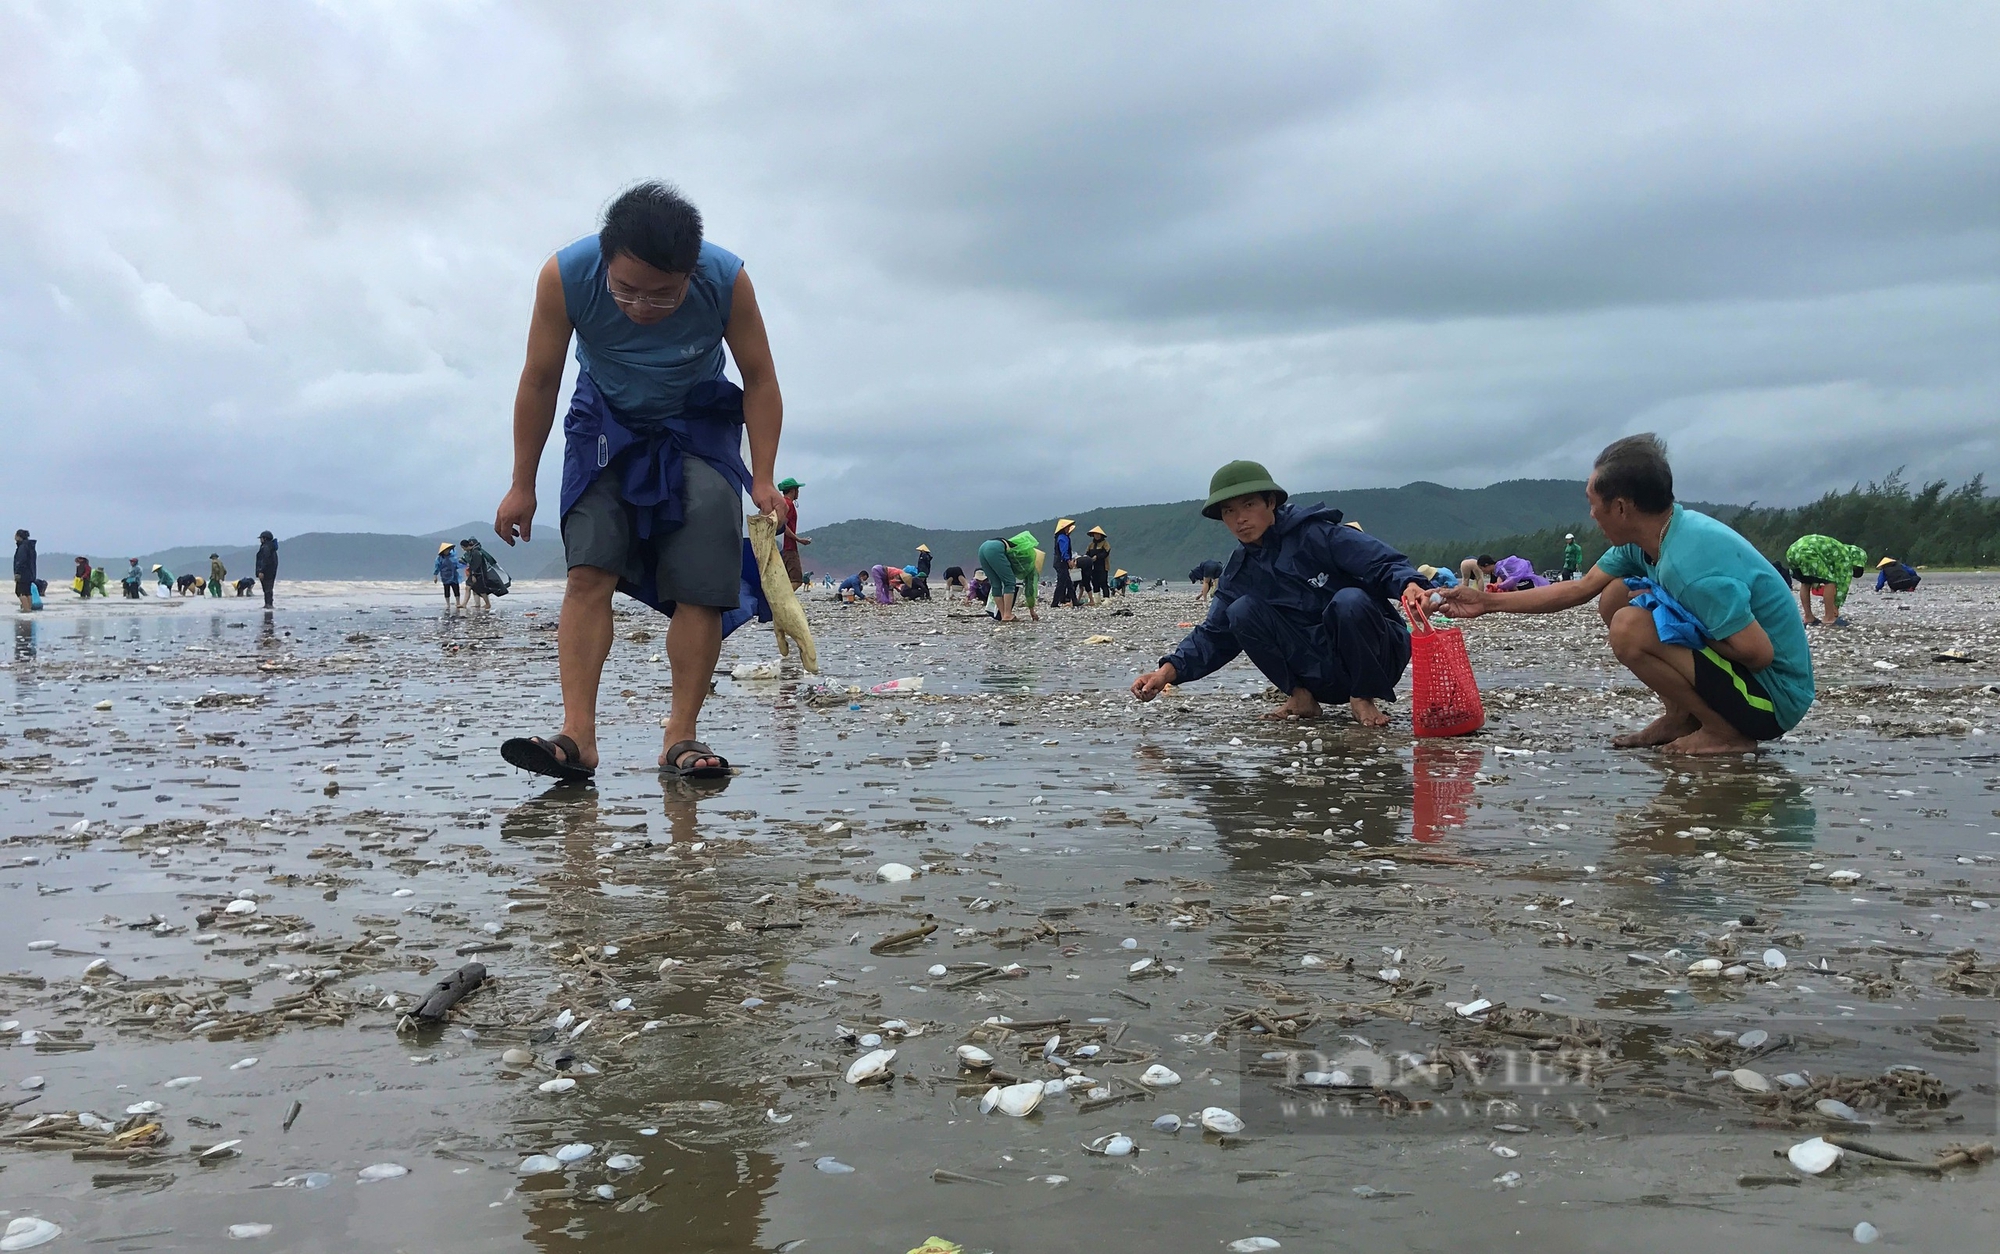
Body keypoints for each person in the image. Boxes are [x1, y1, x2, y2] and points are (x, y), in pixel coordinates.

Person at [490, 182, 784, 783]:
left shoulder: (725, 281)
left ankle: (681, 737)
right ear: (605, 260)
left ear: (690, 272)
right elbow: (540, 378)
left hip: (695, 425)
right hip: (603, 423)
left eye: (661, 295)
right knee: (589, 571)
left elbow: (759, 377)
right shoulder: (566, 276)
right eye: (625, 290)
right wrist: (522, 483)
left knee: (703, 585)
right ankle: (577, 736)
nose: (640, 306)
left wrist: (763, 477)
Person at [1437, 434, 1814, 755]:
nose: (1590, 514)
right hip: (1746, 683)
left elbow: (1758, 653)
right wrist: (1487, 602)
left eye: (1592, 503)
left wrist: (1677, 631)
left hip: (1773, 700)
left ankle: (1725, 733)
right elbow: (1579, 589)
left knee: (1631, 626)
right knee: (1615, 595)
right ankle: (1682, 717)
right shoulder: (1651, 538)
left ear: (1620, 507)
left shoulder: (1689, 566)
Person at [1132, 460, 1433, 726]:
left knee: (1349, 601)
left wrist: (1409, 583)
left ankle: (1363, 697)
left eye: (1249, 505)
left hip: (1377, 660)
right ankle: (1301, 698)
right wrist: (1165, 673)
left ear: (1271, 502)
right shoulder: (1240, 572)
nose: (1240, 519)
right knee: (1240, 611)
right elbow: (1213, 635)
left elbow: (1382, 561)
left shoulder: (1318, 534)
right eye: (1229, 511)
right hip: (1319, 673)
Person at [1784, 534, 1867, 627]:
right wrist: (1836, 605)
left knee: (1806, 582)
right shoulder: (1846, 556)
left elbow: (1818, 573)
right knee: (1830, 582)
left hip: (1793, 551)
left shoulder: (1836, 549)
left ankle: (1808, 617)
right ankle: (1829, 617)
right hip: (1808, 552)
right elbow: (1843, 584)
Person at [977, 530, 1042, 623]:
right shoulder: (1029, 564)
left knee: (995, 584)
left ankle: (1004, 615)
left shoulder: (1022, 552)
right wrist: (1032, 611)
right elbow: (1030, 589)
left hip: (983, 547)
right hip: (996, 548)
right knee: (1010, 582)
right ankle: (1007, 615)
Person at [777, 477, 809, 589]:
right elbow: (782, 526)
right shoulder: (788, 504)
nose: (798, 492)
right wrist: (798, 539)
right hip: (788, 546)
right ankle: (782, 604)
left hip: (782, 546)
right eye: (797, 490)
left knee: (785, 579)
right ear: (792, 490)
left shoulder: (781, 503)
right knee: (796, 580)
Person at [461, 538, 502, 609]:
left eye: (462, 548)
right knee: (468, 588)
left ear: (464, 546)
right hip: (475, 573)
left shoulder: (475, 552)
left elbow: (476, 565)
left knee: (481, 590)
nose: (463, 549)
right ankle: (464, 604)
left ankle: (487, 604)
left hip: (479, 574)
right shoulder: (472, 551)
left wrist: (474, 575)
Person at [1051, 519, 1079, 608]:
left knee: (1068, 582)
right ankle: (1055, 603)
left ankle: (1074, 601)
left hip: (1059, 562)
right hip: (1061, 562)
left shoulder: (1059, 537)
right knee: (1062, 583)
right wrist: (1068, 560)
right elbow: (1064, 550)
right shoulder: (1063, 537)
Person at [1084, 526, 1111, 602]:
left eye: (1098, 534)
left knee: (1103, 581)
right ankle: (1097, 599)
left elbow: (1106, 553)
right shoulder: (1091, 545)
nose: (1097, 536)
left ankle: (1106, 598)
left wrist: (1097, 557)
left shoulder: (1105, 543)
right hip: (1093, 567)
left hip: (1103, 566)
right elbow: (1087, 554)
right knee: (1095, 582)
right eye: (1095, 534)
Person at [255, 531, 279, 608]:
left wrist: (261, 571)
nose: (260, 540)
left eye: (261, 538)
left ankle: (268, 604)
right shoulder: (271, 547)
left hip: (266, 572)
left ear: (265, 538)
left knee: (267, 589)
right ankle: (269, 604)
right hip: (271, 571)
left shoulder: (266, 547)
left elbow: (264, 560)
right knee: (268, 589)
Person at [14, 530, 36, 612]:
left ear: (19, 536)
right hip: (30, 573)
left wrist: (17, 573)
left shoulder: (22, 547)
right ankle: (29, 608)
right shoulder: (30, 546)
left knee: (20, 592)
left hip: (23, 573)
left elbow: (20, 561)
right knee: (27, 592)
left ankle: (26, 609)